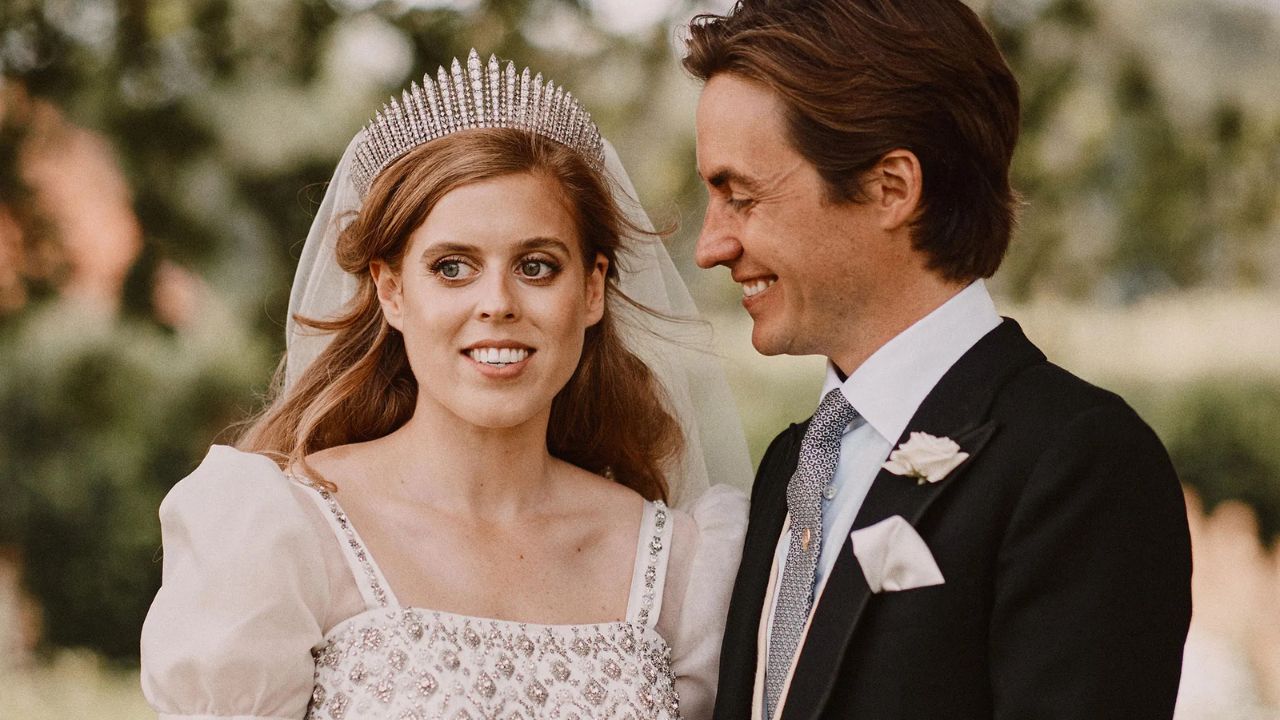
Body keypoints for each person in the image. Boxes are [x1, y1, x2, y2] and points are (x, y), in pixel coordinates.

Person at [140, 50, 751, 720]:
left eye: (538, 266)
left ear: (593, 289)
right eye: (454, 267)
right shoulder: (283, 536)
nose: (496, 303)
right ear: (392, 291)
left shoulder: (683, 567)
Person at [681, 2, 1192, 719]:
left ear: (891, 187)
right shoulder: (790, 465)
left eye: (740, 196)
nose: (711, 247)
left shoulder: (1077, 462)